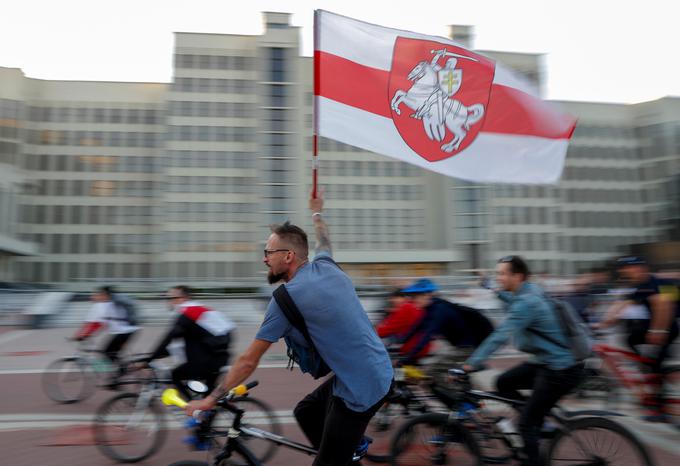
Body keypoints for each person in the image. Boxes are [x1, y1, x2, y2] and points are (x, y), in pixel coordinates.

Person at [185, 191, 393, 466]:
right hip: (378, 368)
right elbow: (324, 240)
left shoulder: (286, 299)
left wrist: (211, 399)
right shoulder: (327, 266)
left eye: (269, 252)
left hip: (362, 388)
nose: (264, 259)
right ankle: (346, 450)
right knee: (306, 412)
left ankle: (341, 454)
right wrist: (317, 212)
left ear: (289, 256)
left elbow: (248, 361)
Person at [463, 256, 585, 466]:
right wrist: (489, 285)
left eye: (502, 273)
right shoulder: (530, 291)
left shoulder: (527, 303)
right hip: (547, 362)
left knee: (526, 425)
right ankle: (539, 419)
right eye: (497, 273)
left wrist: (471, 363)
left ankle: (533, 431)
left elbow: (500, 335)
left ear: (517, 276)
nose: (498, 277)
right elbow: (510, 299)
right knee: (504, 382)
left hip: (560, 370)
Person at [594, 256, 679, 420]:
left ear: (639, 268)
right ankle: (650, 373)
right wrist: (602, 324)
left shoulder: (658, 283)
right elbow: (622, 305)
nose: (624, 273)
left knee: (655, 366)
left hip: (667, 329)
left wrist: (658, 331)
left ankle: (658, 409)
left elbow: (664, 306)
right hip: (654, 328)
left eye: (626, 269)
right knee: (632, 341)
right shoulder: (640, 287)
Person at [144, 285, 235, 400]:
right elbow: (175, 343)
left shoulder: (188, 313)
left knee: (175, 375)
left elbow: (169, 338)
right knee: (207, 394)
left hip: (210, 359)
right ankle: (206, 408)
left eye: (171, 298)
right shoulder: (197, 310)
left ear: (183, 298)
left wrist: (149, 359)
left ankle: (191, 407)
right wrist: (154, 356)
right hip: (216, 356)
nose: (169, 301)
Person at [399, 278, 494, 369]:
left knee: (434, 370)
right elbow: (416, 327)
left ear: (427, 295)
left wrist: (409, 357)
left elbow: (427, 336)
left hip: (467, 348)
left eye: (416, 297)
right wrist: (400, 343)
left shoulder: (439, 310)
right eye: (412, 297)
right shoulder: (430, 309)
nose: (413, 300)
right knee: (438, 367)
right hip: (460, 346)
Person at [73, 285, 138, 383]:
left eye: (98, 295)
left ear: (105, 295)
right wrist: (84, 335)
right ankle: (117, 376)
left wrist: (84, 335)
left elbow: (96, 324)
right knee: (109, 352)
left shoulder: (109, 304)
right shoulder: (104, 305)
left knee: (107, 352)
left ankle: (121, 372)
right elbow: (95, 324)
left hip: (126, 331)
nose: (95, 297)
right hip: (121, 331)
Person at [375, 289, 433, 361]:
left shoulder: (406, 307)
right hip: (421, 345)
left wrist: (374, 334)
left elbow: (389, 327)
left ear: (404, 297)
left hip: (412, 347)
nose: (393, 301)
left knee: (377, 346)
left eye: (395, 298)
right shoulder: (415, 307)